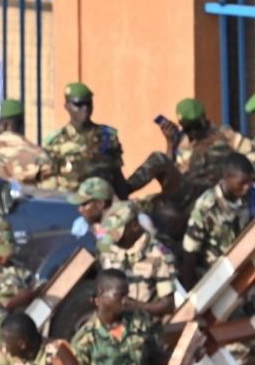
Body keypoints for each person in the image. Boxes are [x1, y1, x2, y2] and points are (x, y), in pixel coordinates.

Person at [127, 97, 255, 213]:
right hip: (186, 192)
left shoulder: (225, 135)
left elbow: (251, 156)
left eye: (197, 126)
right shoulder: (181, 142)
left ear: (205, 118)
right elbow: (170, 172)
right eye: (188, 129)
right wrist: (171, 143)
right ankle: (124, 189)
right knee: (141, 204)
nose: (194, 133)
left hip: (213, 192)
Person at [181, 152, 254, 289]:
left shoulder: (250, 197)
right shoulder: (206, 208)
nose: (247, 186)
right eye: (242, 182)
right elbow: (190, 253)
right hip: (218, 277)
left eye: (250, 181)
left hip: (247, 269)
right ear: (226, 178)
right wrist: (190, 294)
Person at [43, 83, 128, 197]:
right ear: (67, 106)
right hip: (69, 203)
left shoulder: (107, 136)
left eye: (88, 103)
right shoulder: (56, 141)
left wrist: (124, 203)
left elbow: (117, 175)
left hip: (103, 205)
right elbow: (50, 184)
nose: (85, 108)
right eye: (78, 104)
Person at [95, 201, 178, 318]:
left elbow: (168, 304)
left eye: (118, 236)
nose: (116, 242)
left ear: (134, 226)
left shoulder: (159, 254)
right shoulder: (112, 247)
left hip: (141, 324)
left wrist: (134, 305)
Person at [0, 98, 53, 185]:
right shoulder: (39, 153)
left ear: (3, 125)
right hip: (30, 197)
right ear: (21, 123)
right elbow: (49, 190)